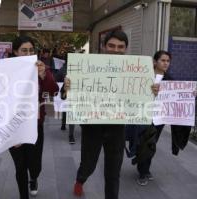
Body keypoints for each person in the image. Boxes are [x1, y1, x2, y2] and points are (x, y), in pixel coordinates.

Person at [62, 30, 159, 199]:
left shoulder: (135, 70)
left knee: (113, 171)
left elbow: (143, 97)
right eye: (112, 45)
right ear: (103, 46)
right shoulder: (86, 64)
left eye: (120, 47)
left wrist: (151, 91)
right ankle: (80, 179)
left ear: (126, 49)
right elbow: (63, 95)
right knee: (88, 164)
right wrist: (66, 87)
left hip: (117, 128)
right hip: (92, 126)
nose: (116, 50)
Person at [9, 36, 59, 199]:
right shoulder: (6, 69)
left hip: (35, 124)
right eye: (24, 50)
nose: (28, 53)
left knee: (35, 164)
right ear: (15, 52)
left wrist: (44, 74)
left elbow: (53, 92)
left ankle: (34, 177)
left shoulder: (40, 68)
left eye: (31, 50)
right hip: (12, 126)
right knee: (20, 166)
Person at [136, 50, 192, 186]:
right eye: (163, 60)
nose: (166, 63)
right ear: (155, 62)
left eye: (168, 61)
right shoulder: (145, 76)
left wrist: (190, 94)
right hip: (143, 116)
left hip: (159, 119)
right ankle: (142, 171)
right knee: (143, 144)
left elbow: (178, 96)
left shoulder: (170, 80)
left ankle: (144, 169)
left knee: (151, 145)